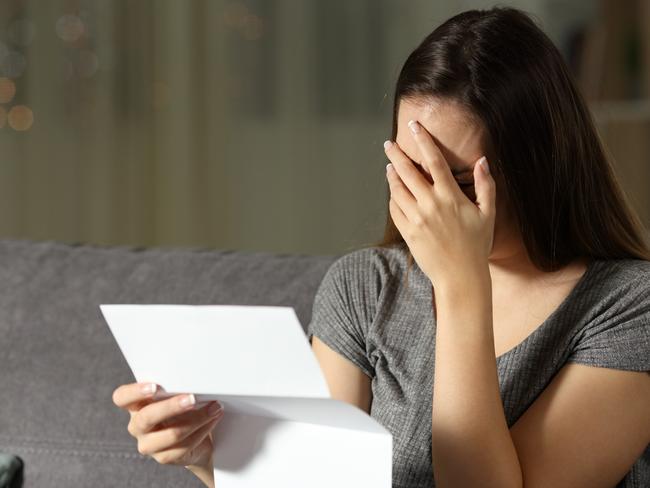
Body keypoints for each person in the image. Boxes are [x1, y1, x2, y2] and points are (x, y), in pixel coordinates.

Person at [112, 6, 650, 487]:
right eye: (412, 171)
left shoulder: (630, 307)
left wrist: (461, 285)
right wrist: (212, 457)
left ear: (542, 165)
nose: (428, 203)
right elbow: (314, 480)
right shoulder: (365, 287)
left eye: (454, 182)